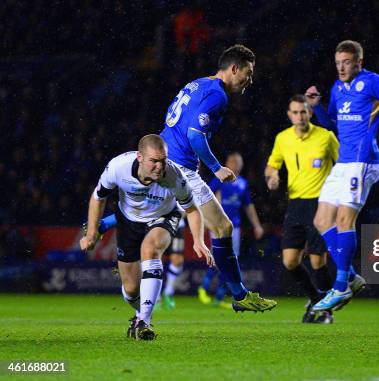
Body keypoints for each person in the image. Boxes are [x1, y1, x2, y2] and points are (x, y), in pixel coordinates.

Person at [93, 44, 276, 313]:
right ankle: (240, 295)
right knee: (223, 228)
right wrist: (216, 168)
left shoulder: (199, 83)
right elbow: (194, 134)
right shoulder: (219, 96)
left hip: (167, 156)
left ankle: (101, 225)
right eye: (247, 73)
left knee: (161, 207)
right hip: (181, 167)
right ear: (234, 69)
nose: (249, 80)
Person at [305, 40, 379, 311]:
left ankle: (340, 287)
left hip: (364, 162)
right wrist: (316, 107)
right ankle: (350, 275)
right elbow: (332, 125)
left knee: (343, 219)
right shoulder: (337, 89)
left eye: (347, 62)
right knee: (320, 220)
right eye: (338, 62)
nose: (341, 67)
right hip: (343, 163)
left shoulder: (373, 82)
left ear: (359, 63)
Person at [80, 134, 213, 340]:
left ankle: (144, 322)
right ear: (140, 157)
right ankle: (139, 313)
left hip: (164, 217)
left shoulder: (175, 177)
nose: (160, 167)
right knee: (131, 289)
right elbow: (99, 197)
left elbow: (192, 210)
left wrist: (199, 241)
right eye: (154, 161)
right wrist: (91, 234)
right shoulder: (118, 167)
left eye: (163, 160)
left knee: (150, 250)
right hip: (128, 221)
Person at [265, 94, 337, 323]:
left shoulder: (325, 137)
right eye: (295, 112)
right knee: (290, 261)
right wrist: (272, 178)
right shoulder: (283, 138)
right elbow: (271, 167)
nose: (299, 116)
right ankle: (316, 298)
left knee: (317, 260)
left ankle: (327, 311)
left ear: (310, 112)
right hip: (295, 204)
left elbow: (344, 164)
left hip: (321, 203)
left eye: (303, 111)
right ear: (289, 115)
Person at [198, 152, 264, 308]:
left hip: (236, 227)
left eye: (239, 162)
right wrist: (205, 219)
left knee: (231, 260)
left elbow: (248, 206)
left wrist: (257, 225)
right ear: (227, 162)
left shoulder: (243, 184)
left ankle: (219, 297)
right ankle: (204, 288)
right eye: (233, 161)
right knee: (219, 258)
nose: (236, 164)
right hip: (218, 224)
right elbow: (205, 196)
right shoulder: (219, 180)